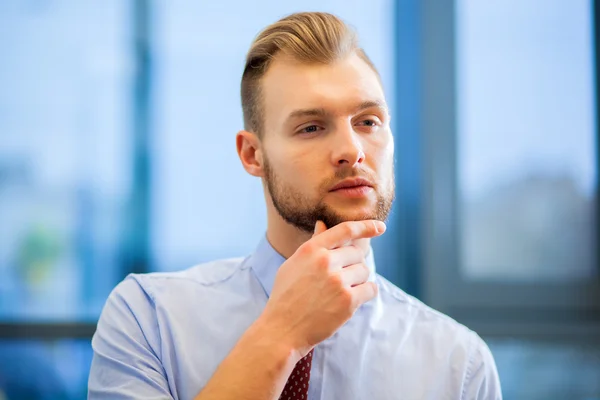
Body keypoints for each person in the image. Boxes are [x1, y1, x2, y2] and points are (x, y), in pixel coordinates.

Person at [88, 11, 502, 400]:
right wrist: (282, 334)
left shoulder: (459, 366)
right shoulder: (148, 320)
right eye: (311, 127)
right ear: (253, 155)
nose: (351, 150)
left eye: (368, 121)